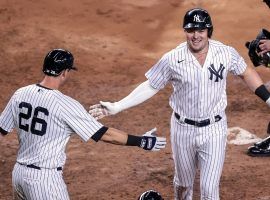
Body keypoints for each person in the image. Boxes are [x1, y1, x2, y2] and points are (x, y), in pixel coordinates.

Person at [89, 8, 270, 200]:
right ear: (185, 31)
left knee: (209, 190)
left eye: (200, 30)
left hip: (214, 130)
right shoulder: (172, 59)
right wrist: (118, 106)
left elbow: (246, 72)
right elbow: (151, 85)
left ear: (209, 31)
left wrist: (268, 99)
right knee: (183, 185)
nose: (195, 36)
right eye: (191, 30)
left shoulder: (225, 53)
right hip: (182, 129)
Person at [0, 48, 166, 200]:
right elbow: (105, 134)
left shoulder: (20, 94)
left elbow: (1, 129)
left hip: (19, 175)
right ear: (64, 72)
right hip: (43, 181)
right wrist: (141, 141)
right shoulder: (65, 104)